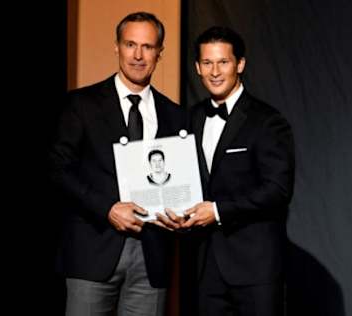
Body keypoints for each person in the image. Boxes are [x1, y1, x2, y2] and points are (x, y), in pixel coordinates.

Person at [50, 12, 185, 316]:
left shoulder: (176, 115)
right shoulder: (81, 104)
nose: (138, 55)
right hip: (92, 251)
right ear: (117, 47)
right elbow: (59, 169)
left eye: (148, 47)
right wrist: (107, 208)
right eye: (130, 44)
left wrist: (181, 210)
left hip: (152, 256)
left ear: (159, 52)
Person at [157, 26, 295, 316]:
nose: (215, 71)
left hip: (254, 270)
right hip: (203, 268)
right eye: (207, 63)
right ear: (197, 67)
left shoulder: (268, 121)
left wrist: (217, 211)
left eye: (223, 62)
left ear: (240, 64)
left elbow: (277, 190)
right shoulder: (190, 120)